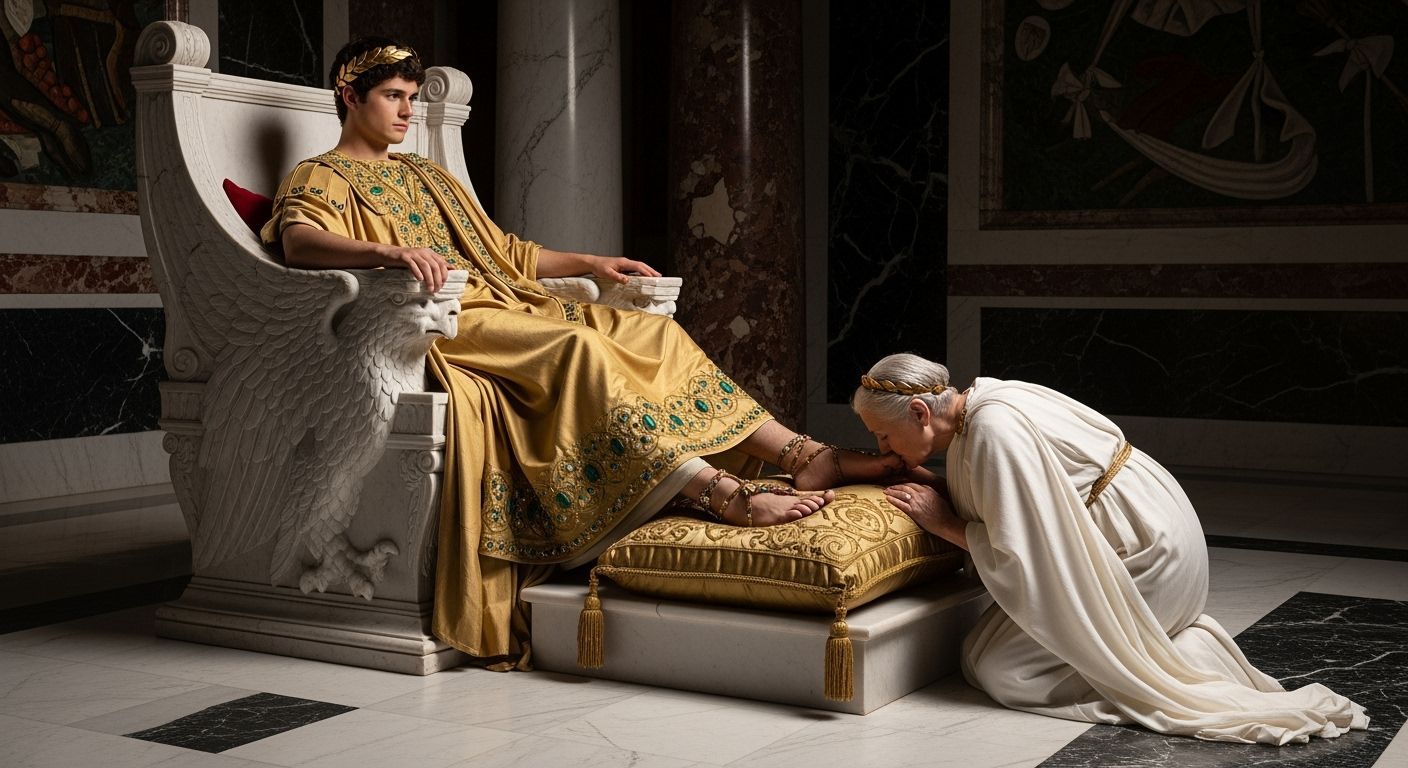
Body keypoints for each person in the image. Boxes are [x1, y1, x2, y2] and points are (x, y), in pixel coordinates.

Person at [259, 38, 903, 665]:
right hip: (445, 322)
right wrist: (388, 253)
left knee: (652, 331)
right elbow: (299, 243)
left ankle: (801, 453)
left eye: (410, 99)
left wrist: (594, 262)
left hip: (509, 300)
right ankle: (721, 493)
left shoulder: (425, 176)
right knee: (578, 348)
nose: (406, 111)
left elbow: (509, 253)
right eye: (393, 97)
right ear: (349, 96)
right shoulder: (321, 175)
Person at [850, 353, 1368, 745]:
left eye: (883, 436)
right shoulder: (985, 397)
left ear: (920, 410)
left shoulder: (992, 430)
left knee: (1001, 669)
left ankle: (1156, 676)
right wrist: (940, 490)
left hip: (1144, 555)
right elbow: (1010, 501)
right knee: (982, 650)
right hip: (1157, 527)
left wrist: (942, 522)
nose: (882, 450)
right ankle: (1164, 654)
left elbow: (1022, 552)